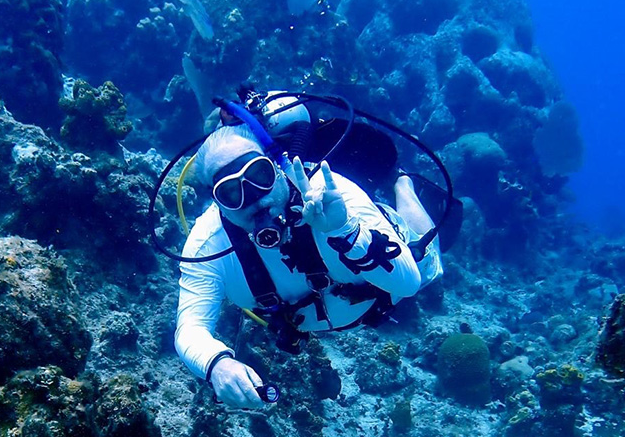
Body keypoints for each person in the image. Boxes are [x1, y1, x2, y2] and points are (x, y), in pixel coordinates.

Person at [174, 112, 443, 409]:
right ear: (218, 206)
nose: (253, 199)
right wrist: (216, 365)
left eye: (258, 175)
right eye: (229, 192)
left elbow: (407, 284)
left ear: (277, 167)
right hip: (325, 315)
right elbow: (190, 328)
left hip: (382, 285)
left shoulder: (329, 191)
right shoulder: (206, 244)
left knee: (428, 267)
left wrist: (345, 229)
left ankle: (402, 184)